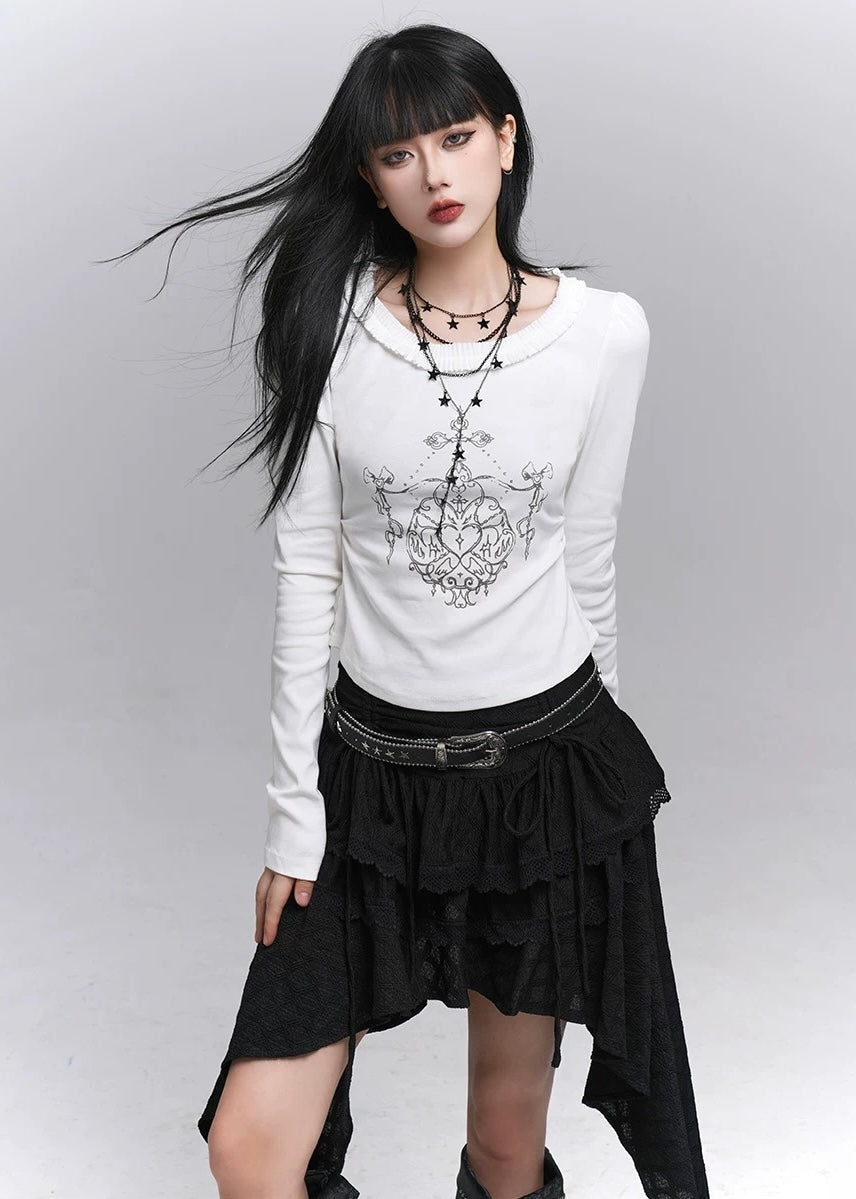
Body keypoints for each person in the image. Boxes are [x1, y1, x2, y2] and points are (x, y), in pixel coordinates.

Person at [108, 22, 710, 1199]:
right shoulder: (326, 325)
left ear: (505, 141)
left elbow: (587, 555)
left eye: (456, 136)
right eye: (397, 153)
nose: (434, 173)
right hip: (369, 784)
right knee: (249, 1147)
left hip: (540, 778)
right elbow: (306, 575)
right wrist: (293, 818)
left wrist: (593, 803)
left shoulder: (604, 334)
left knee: (504, 1146)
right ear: (369, 178)